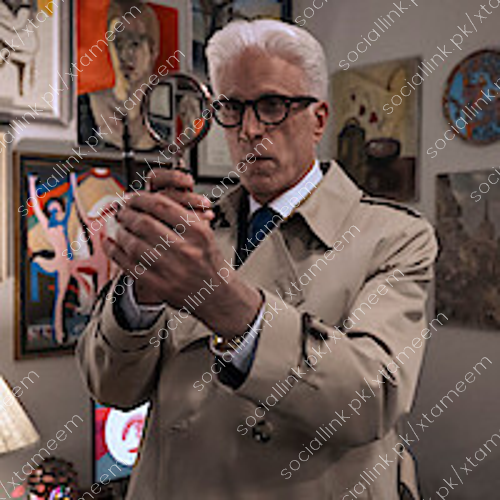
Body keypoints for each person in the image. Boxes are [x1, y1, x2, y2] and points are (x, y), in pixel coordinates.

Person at [77, 20, 437, 500]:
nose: (249, 131)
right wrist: (140, 297)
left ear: (319, 119)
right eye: (232, 108)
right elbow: (111, 389)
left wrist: (222, 300)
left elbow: (371, 402)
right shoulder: (191, 228)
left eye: (272, 106)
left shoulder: (394, 237)